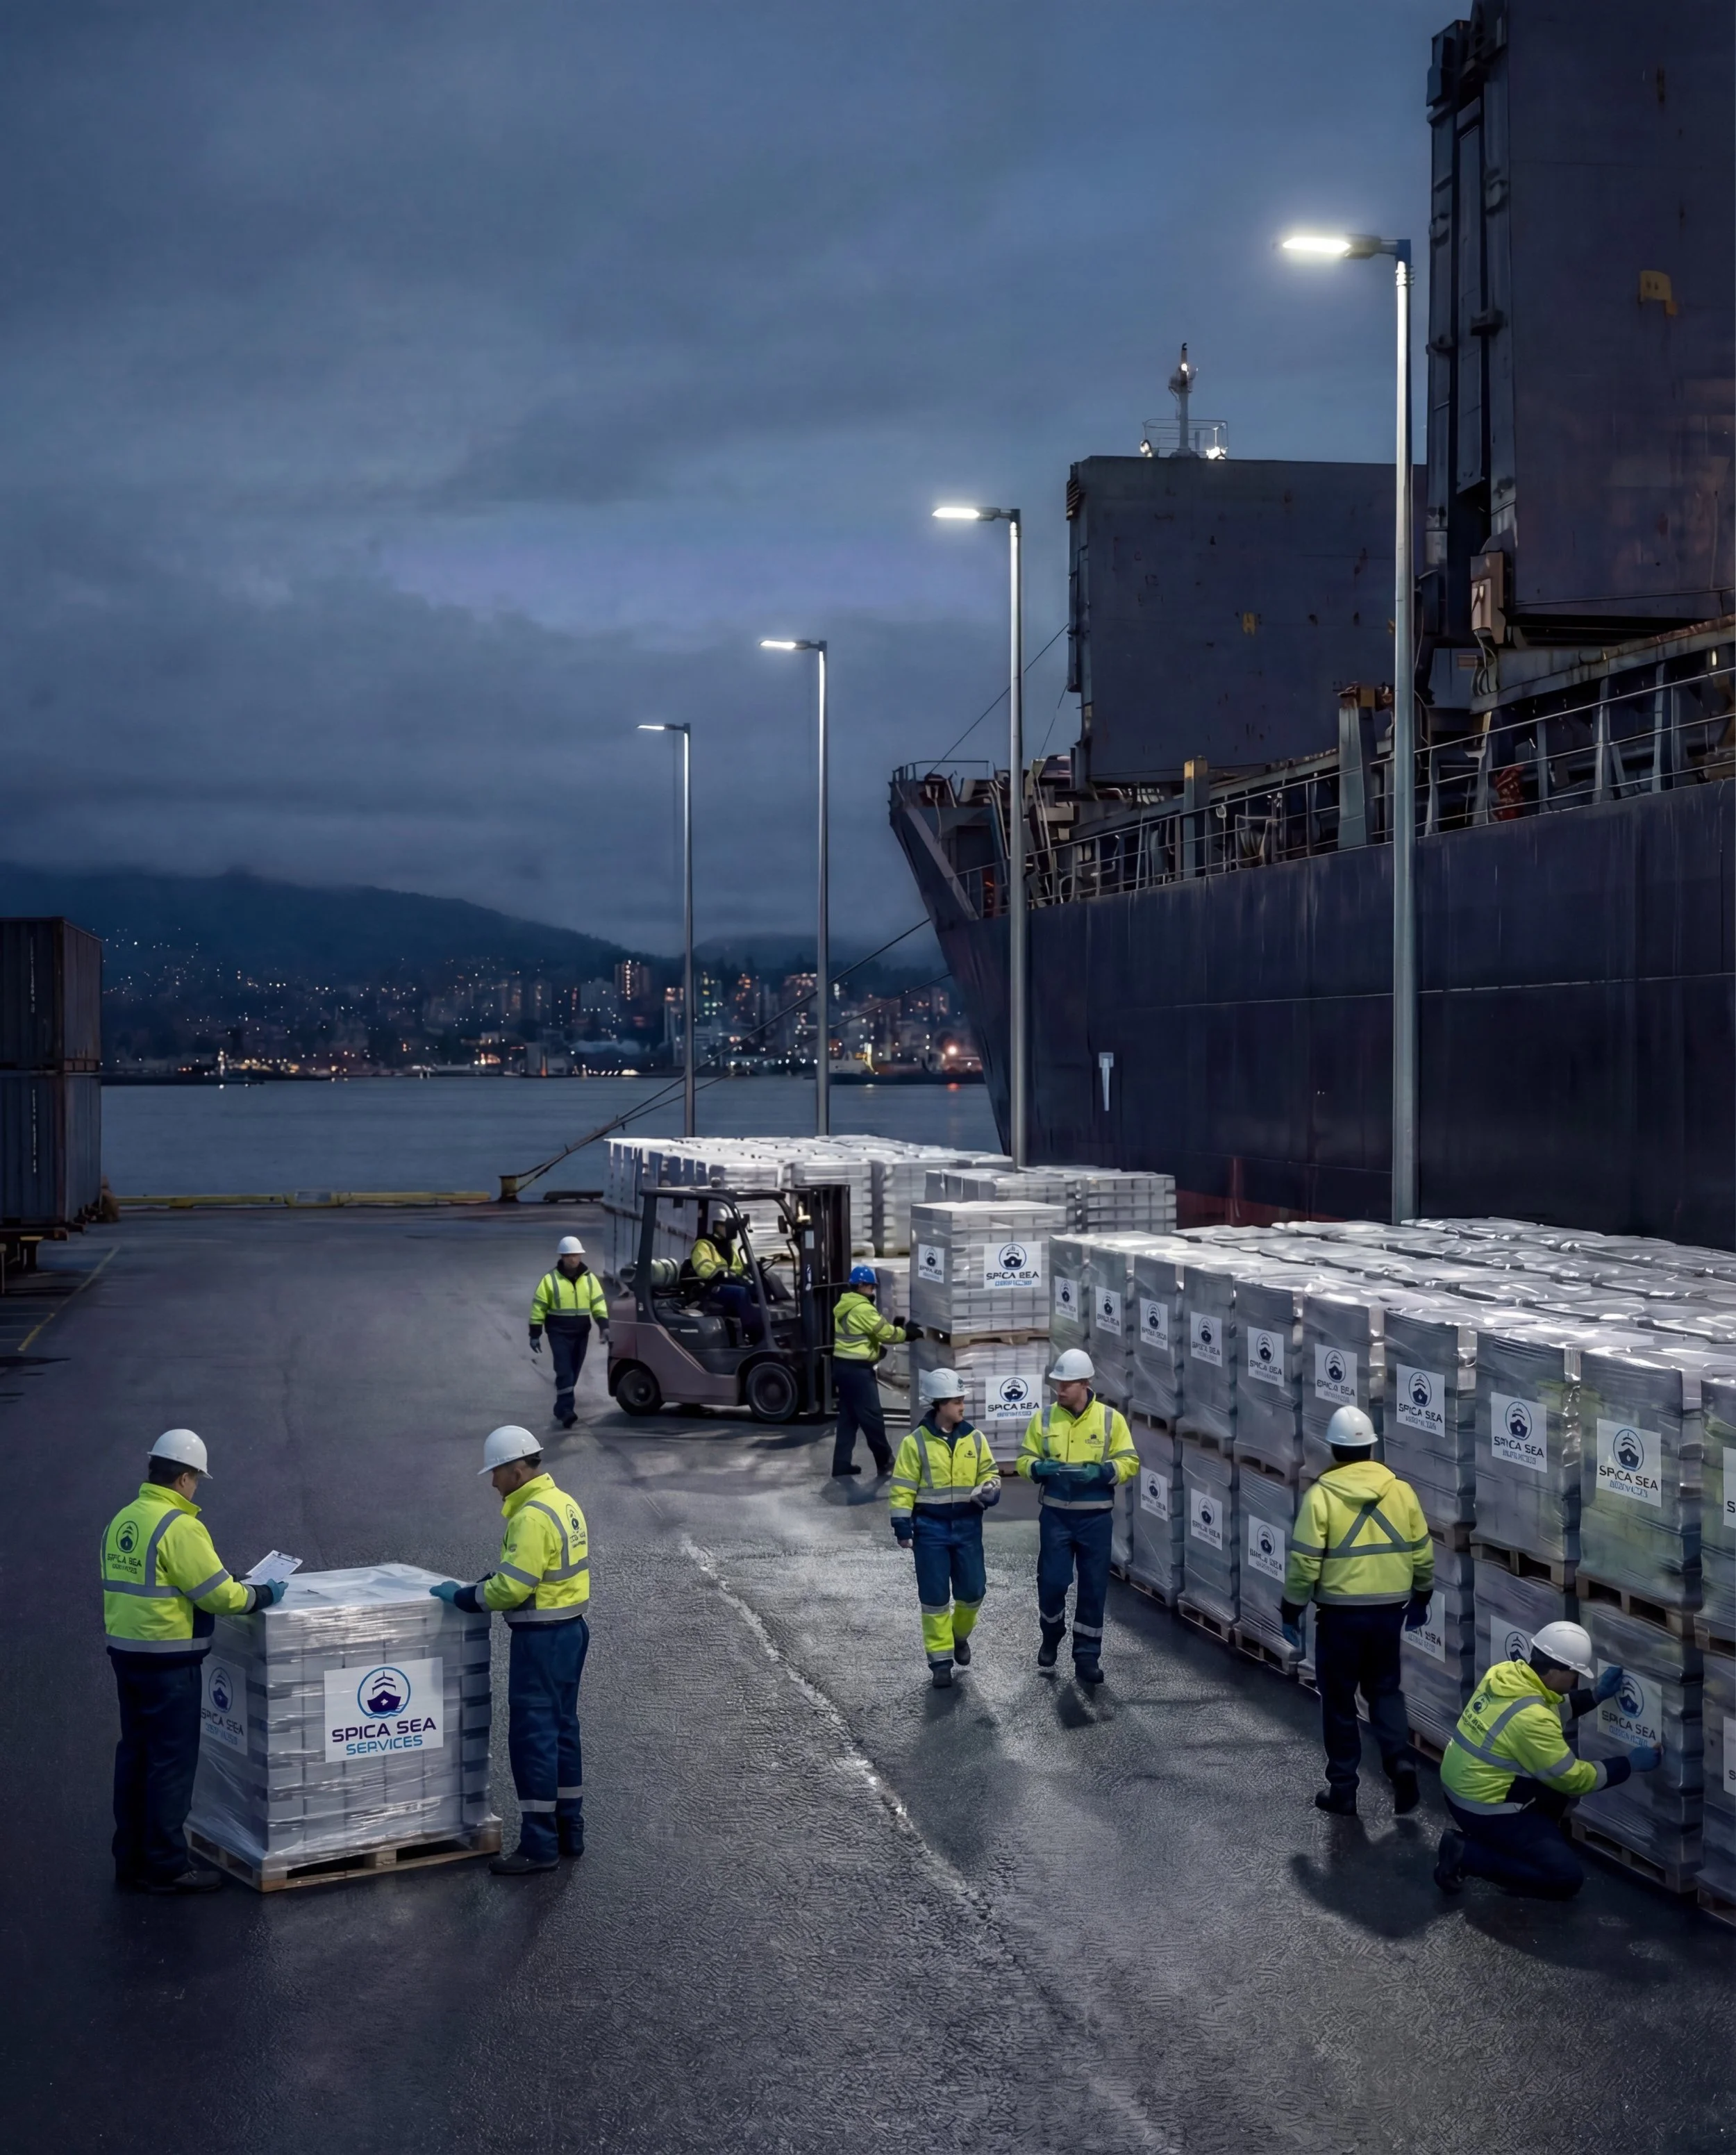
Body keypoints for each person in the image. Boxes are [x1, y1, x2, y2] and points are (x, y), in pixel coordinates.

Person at [101, 1429, 287, 1894]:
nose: (195, 1488)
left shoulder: (124, 1519)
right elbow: (219, 1595)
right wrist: (261, 1593)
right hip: (169, 1664)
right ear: (183, 1477)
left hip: (127, 1656)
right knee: (170, 1763)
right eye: (196, 1480)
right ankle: (165, 1864)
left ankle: (131, 1857)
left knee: (135, 1757)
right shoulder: (178, 1525)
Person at [431, 1425, 590, 1876]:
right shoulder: (563, 1502)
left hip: (541, 1640)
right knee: (563, 1731)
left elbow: (513, 1588)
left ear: (518, 1470)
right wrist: (496, 1579)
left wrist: (467, 1597)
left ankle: (539, 1844)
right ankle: (569, 1828)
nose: (493, 1482)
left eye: (497, 1472)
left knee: (533, 1738)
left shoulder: (530, 1516)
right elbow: (537, 1569)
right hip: (571, 1630)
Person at [1279, 1404, 1433, 1817]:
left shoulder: (1321, 1497)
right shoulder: (1401, 1491)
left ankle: (1343, 1789)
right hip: (1389, 1612)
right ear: (1371, 1447)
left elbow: (1305, 1561)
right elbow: (1422, 1552)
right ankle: (1399, 1760)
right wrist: (1422, 1596)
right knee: (1384, 1690)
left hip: (1340, 1616)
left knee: (1339, 1700)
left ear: (1333, 1449)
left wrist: (1290, 1608)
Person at [1435, 1620, 1662, 1899]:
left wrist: (1596, 1695)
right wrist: (1629, 1764)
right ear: (1555, 1671)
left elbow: (1549, 1707)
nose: (1576, 1680)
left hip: (1462, 1786)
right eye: (1574, 1673)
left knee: (1553, 1786)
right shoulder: (1533, 1720)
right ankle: (1465, 1854)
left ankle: (1527, 1842)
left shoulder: (1505, 1674)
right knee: (1565, 1878)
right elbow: (1576, 1780)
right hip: (1482, 1809)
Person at [1015, 1349, 1139, 1685]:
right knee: (1052, 1582)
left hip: (1096, 1519)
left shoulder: (1111, 1420)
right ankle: (1051, 1632)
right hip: (1055, 1516)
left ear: (1085, 1384)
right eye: (1058, 1383)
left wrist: (1102, 1472)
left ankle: (1087, 1656)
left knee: (1094, 1588)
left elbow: (1130, 1462)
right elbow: (1024, 1461)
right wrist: (1038, 1468)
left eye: (1067, 1384)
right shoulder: (1044, 1419)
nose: (1060, 1389)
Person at [888, 1367, 1001, 1688]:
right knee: (935, 1597)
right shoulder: (915, 1444)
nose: (962, 1406)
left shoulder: (975, 1439)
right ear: (939, 1404)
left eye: (962, 1400)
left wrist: (990, 1488)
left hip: (967, 1527)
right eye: (955, 1401)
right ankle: (940, 1661)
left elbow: (990, 1473)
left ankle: (959, 1635)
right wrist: (902, 1525)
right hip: (930, 1529)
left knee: (974, 1591)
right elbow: (902, 1487)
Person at [831, 1264, 910, 1478]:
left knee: (848, 1418)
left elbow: (863, 1336)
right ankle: (886, 1463)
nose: (873, 1292)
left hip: (842, 1367)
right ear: (862, 1286)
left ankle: (840, 1464)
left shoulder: (844, 1304)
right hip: (858, 1372)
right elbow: (886, 1333)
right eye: (871, 1288)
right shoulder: (863, 1308)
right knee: (872, 1417)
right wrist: (906, 1334)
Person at [529, 1235, 610, 1428]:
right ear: (562, 1257)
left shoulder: (590, 1280)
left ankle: (560, 1407)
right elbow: (538, 1307)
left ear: (580, 1256)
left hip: (581, 1333)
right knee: (564, 1370)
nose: (572, 1259)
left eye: (575, 1255)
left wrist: (604, 1326)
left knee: (573, 1372)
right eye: (568, 1256)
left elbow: (598, 1304)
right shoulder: (550, 1280)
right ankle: (566, 1410)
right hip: (558, 1332)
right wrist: (535, 1334)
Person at [688, 1215, 763, 1343]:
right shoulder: (703, 1244)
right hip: (710, 1287)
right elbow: (704, 1269)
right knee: (740, 1294)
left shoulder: (729, 1245)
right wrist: (723, 1273)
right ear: (716, 1226)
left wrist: (750, 1268)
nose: (729, 1229)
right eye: (725, 1225)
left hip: (726, 1284)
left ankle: (765, 1328)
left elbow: (737, 1267)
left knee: (758, 1289)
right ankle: (751, 1335)